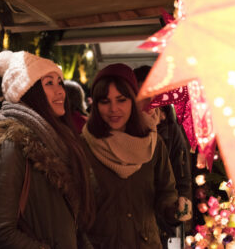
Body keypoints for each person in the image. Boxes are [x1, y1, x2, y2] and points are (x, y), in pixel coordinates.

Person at [0, 50, 94, 249]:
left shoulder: (55, 137)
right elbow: (0, 230)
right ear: (28, 92)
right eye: (49, 83)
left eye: (59, 82)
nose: (60, 91)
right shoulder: (11, 144)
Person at [82, 63, 178, 249]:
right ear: (95, 104)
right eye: (105, 101)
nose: (114, 109)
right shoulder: (83, 147)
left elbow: (166, 191)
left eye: (121, 99)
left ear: (133, 101)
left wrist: (173, 210)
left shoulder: (153, 143)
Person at [134, 65, 192, 244]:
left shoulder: (171, 129)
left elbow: (182, 179)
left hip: (166, 222)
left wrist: (180, 219)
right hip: (135, 222)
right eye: (142, 95)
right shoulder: (124, 130)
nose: (149, 102)